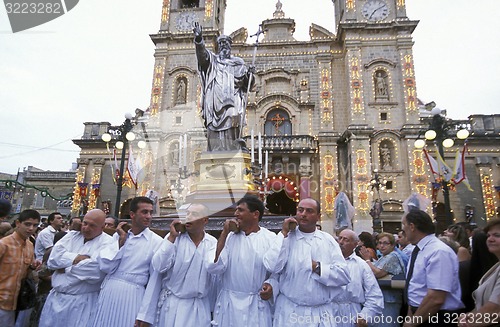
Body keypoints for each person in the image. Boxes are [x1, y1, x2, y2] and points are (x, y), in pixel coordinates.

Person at [263, 198, 350, 326]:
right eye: (300, 210)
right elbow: (273, 267)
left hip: (320, 312)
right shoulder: (285, 239)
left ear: (318, 217)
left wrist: (318, 268)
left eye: (309, 211)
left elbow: (344, 275)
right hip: (290, 311)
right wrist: (284, 233)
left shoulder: (327, 240)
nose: (303, 214)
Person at [138, 203, 217, 326]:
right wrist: (171, 238)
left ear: (205, 220)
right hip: (173, 306)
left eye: (194, 214)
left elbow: (216, 277)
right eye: (187, 214)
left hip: (199, 308)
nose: (188, 217)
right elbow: (159, 266)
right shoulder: (174, 239)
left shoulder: (212, 243)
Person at [91, 197, 163, 327]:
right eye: (144, 212)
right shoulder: (119, 236)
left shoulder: (156, 242)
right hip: (109, 292)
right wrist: (121, 241)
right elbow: (105, 266)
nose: (148, 216)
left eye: (150, 213)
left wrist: (145, 315)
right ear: (132, 214)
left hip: (133, 295)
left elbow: (155, 280)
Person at [207, 195, 277, 327]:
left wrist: (271, 285)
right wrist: (225, 232)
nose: (236, 214)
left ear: (255, 214)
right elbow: (215, 266)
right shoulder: (229, 237)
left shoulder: (270, 238)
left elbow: (276, 271)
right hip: (229, 305)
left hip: (256, 305)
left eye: (240, 210)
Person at [39, 209, 113, 327]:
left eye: (92, 225)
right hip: (56, 299)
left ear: (102, 227)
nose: (86, 228)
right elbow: (53, 260)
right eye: (85, 223)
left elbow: (95, 271)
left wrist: (64, 268)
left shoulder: (108, 243)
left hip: (82, 303)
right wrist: (77, 258)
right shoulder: (72, 236)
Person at [193, 22, 254, 151]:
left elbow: (247, 83)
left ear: (230, 46)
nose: (223, 46)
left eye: (226, 44)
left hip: (232, 101)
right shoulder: (213, 60)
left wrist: (250, 74)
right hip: (214, 101)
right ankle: (215, 149)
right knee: (212, 126)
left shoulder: (237, 63)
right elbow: (202, 56)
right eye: (221, 44)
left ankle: (232, 147)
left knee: (233, 117)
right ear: (218, 47)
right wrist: (199, 40)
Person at [402, 210, 464, 326]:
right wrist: (410, 314)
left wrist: (413, 323)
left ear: (412, 226)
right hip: (421, 313)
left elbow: (436, 297)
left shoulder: (438, 252)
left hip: (437, 316)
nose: (402, 230)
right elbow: (416, 287)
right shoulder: (418, 250)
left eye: (404, 225)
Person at [0, 209, 41, 327]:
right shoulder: (4, 244)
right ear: (18, 223)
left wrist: (32, 267)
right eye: (27, 224)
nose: (31, 228)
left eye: (35, 225)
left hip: (16, 303)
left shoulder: (30, 245)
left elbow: (24, 273)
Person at [336, 229, 384, 327]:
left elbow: (374, 294)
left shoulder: (361, 265)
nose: (341, 242)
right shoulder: (328, 262)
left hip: (352, 315)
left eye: (346, 240)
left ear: (355, 244)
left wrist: (365, 316)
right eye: (339, 238)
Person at [458, 219, 500, 327]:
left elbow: (494, 309)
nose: (490, 239)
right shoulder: (496, 267)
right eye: (488, 235)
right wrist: (468, 316)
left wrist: (467, 322)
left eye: (497, 235)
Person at [361, 232, 406, 327]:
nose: (382, 246)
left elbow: (377, 273)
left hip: (389, 299)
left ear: (393, 245)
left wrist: (367, 260)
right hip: (385, 298)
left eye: (385, 243)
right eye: (379, 243)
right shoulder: (385, 256)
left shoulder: (392, 256)